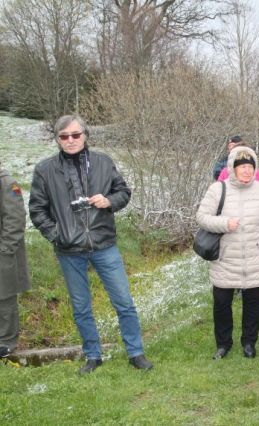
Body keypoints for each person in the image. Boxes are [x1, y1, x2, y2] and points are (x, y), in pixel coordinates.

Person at [29, 115, 153, 374]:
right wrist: (57, 235)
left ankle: (135, 352)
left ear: (85, 135)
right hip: (69, 250)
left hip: (104, 244)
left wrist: (108, 201)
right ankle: (93, 356)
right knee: (81, 306)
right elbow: (37, 211)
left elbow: (123, 192)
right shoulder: (45, 169)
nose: (70, 140)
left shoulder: (103, 162)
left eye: (75, 135)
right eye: (64, 137)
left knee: (124, 302)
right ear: (57, 139)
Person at [196, 146, 259, 359]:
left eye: (250, 167)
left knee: (253, 303)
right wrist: (225, 223)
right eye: (241, 167)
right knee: (222, 304)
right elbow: (202, 217)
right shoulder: (218, 189)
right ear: (232, 168)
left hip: (255, 258)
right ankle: (223, 344)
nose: (246, 171)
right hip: (225, 259)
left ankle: (249, 342)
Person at [0, 165, 31, 358]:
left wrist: (4, 250)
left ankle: (6, 343)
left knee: (4, 297)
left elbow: (15, 219)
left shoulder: (6, 183)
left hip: (4, 253)